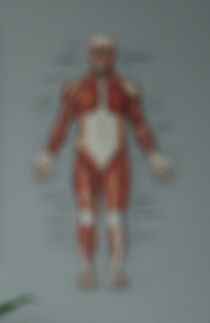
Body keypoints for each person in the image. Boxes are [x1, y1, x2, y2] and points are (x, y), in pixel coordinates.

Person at [33, 34, 172, 290]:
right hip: (85, 156)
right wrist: (48, 154)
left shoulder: (128, 87)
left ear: (114, 54)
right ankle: (86, 270)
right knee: (86, 216)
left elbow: (139, 125)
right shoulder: (73, 87)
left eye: (106, 51)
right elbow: (61, 124)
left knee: (116, 217)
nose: (101, 56)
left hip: (115, 157)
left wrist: (154, 156)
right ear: (88, 53)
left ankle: (115, 271)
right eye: (96, 51)